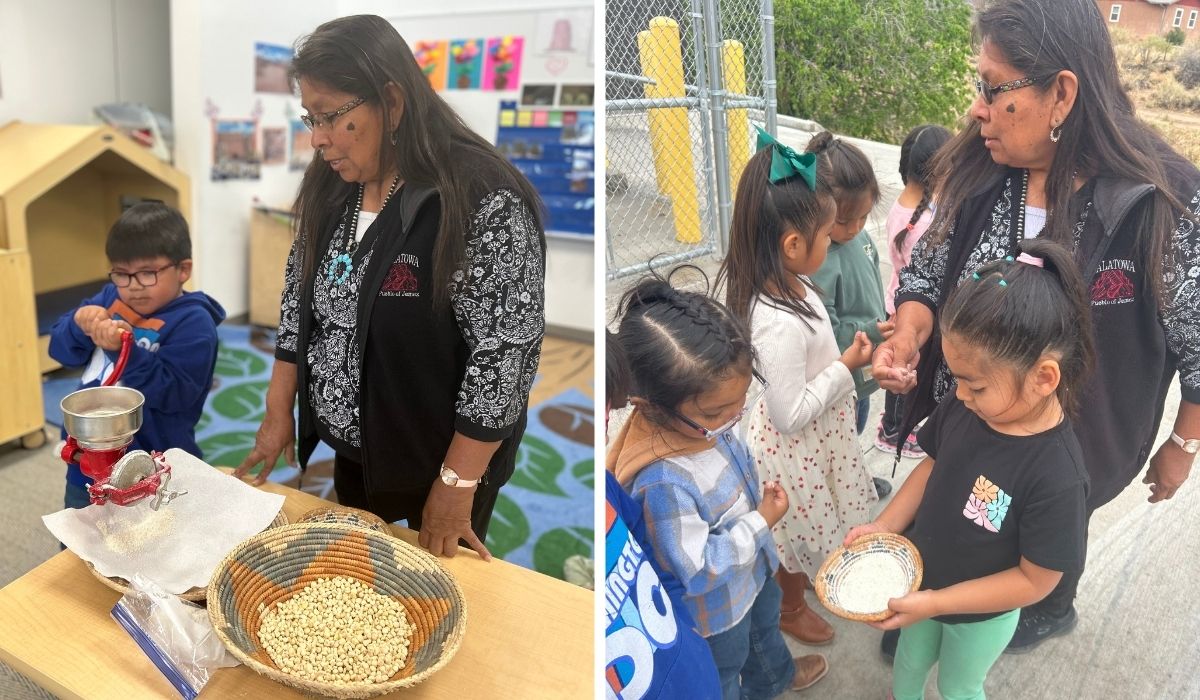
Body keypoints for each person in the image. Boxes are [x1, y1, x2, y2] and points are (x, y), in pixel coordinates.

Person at [873, 0, 1200, 655]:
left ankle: (1045, 604)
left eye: (995, 89)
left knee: (1046, 527)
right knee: (969, 508)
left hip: (1072, 442)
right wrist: (909, 333)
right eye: (979, 86)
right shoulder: (979, 169)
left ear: (1062, 94)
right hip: (971, 415)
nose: (977, 109)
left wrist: (1182, 445)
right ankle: (942, 608)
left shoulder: (1161, 201)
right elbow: (927, 273)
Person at [233, 15, 546, 561]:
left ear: (393, 102)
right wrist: (278, 408)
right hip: (355, 448)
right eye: (310, 118)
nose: (318, 138)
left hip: (441, 458)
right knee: (361, 564)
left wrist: (456, 484)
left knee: (434, 581)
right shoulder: (335, 181)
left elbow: (504, 357)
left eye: (331, 116)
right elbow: (297, 301)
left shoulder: (481, 197)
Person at [848, 240, 1092, 700]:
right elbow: (933, 466)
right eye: (957, 379)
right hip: (921, 580)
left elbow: (1035, 580)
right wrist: (884, 527)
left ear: (1043, 377)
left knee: (959, 686)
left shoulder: (1057, 476)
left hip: (981, 618)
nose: (960, 395)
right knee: (909, 660)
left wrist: (936, 603)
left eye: (975, 385)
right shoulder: (969, 406)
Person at [607, 270, 828, 697]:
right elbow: (697, 568)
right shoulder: (663, 481)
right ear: (649, 405)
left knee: (766, 631)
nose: (733, 417)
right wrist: (761, 521)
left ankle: (774, 677)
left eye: (740, 402)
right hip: (719, 613)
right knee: (727, 670)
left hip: (754, 575)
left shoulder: (701, 420)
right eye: (716, 413)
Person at [717, 129, 879, 647]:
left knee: (814, 524)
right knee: (794, 532)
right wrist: (846, 366)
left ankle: (804, 579)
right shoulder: (776, 321)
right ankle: (789, 605)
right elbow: (789, 414)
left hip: (817, 439)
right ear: (792, 244)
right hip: (795, 451)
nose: (833, 243)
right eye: (828, 235)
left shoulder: (794, 283)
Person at [48, 202, 225, 510]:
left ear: (183, 270)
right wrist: (78, 324)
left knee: (157, 535)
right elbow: (60, 352)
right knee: (81, 532)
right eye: (122, 273)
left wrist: (123, 350)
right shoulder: (109, 298)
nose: (133, 287)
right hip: (87, 463)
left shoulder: (194, 323)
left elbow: (177, 394)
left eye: (147, 273)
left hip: (152, 468)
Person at [603, 331, 721, 699]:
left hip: (692, 668)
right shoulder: (661, 482)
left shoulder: (605, 487)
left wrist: (683, 622)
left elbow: (641, 540)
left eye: (606, 411)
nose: (603, 430)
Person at [803, 131, 889, 441]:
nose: (854, 228)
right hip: (840, 380)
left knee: (857, 431)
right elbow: (825, 337)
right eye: (843, 220)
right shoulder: (818, 261)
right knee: (841, 441)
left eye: (863, 217)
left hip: (864, 371)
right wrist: (874, 330)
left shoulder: (862, 239)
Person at [874, 124, 951, 460]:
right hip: (909, 308)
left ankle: (892, 423)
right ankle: (894, 429)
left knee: (897, 364)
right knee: (902, 369)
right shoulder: (925, 222)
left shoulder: (902, 206)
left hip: (895, 299)